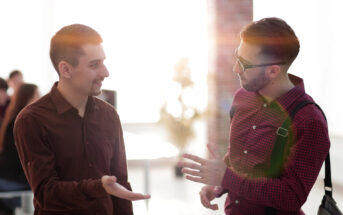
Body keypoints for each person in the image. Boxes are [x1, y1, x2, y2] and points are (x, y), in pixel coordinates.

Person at [178, 17, 330, 215]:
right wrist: (220, 185)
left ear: (273, 70)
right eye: (237, 57)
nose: (235, 69)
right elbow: (240, 157)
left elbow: (291, 197)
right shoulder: (242, 98)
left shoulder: (309, 121)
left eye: (244, 64)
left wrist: (227, 177)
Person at [14, 24, 150, 215]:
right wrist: (98, 187)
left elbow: (120, 184)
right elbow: (46, 193)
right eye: (95, 65)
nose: (105, 72)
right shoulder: (32, 120)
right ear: (66, 69)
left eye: (103, 62)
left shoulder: (109, 115)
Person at [0, 83, 39, 215]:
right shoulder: (23, 122)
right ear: (27, 99)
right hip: (14, 181)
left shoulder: (14, 118)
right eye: (37, 96)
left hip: (9, 176)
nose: (41, 100)